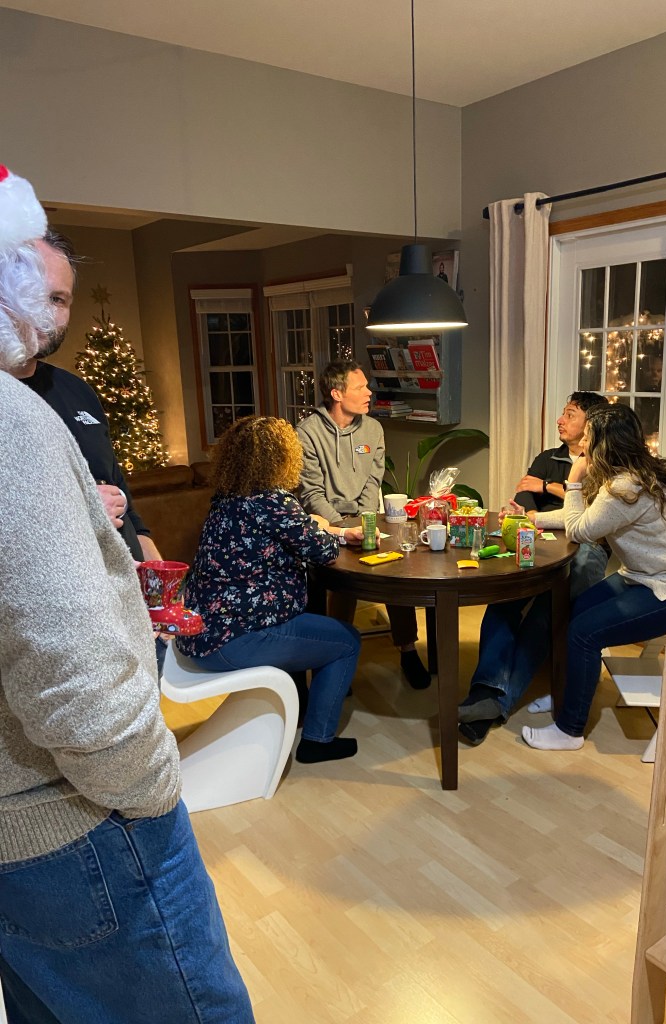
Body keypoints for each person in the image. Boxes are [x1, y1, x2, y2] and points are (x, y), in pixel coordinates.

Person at [0, 165, 254, 1023]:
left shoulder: (61, 401)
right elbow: (69, 668)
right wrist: (150, 786)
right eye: (33, 284)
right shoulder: (13, 422)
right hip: (76, 820)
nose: (48, 314)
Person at [178, 415, 364, 764]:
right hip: (235, 639)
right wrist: (322, 526)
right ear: (282, 458)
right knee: (346, 642)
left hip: (201, 635)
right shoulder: (273, 502)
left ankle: (299, 711)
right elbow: (324, 551)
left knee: (305, 626)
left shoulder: (226, 500)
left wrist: (314, 527)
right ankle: (318, 741)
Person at [522, 403, 666, 751]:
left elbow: (580, 529)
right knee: (574, 610)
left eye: (588, 437)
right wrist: (534, 519)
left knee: (584, 633)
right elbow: (590, 518)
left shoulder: (625, 487)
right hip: (642, 576)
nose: (582, 445)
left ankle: (569, 730)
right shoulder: (640, 473)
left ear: (604, 444)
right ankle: (566, 693)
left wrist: (573, 480)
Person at [458, 392, 609, 745]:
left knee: (545, 611)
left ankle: (492, 703)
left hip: (584, 549)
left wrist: (547, 488)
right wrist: (537, 505)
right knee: (504, 598)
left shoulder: (603, 463)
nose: (560, 420)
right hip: (540, 541)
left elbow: (589, 516)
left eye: (569, 414)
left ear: (590, 423)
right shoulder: (548, 457)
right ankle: (485, 692)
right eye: (562, 413)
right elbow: (524, 496)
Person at [9, 230, 161, 564]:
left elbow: (122, 498)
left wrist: (158, 574)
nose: (46, 313)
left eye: (58, 299)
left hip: (124, 586)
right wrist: (82, 514)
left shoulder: (77, 391)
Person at [297, 360, 431, 689]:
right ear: (336, 394)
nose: (369, 392)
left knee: (395, 569)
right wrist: (343, 530)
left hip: (366, 517)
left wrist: (366, 524)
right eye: (360, 387)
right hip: (328, 523)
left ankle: (407, 648)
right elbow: (312, 493)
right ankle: (334, 662)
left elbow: (374, 481)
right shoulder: (308, 433)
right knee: (346, 577)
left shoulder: (372, 430)